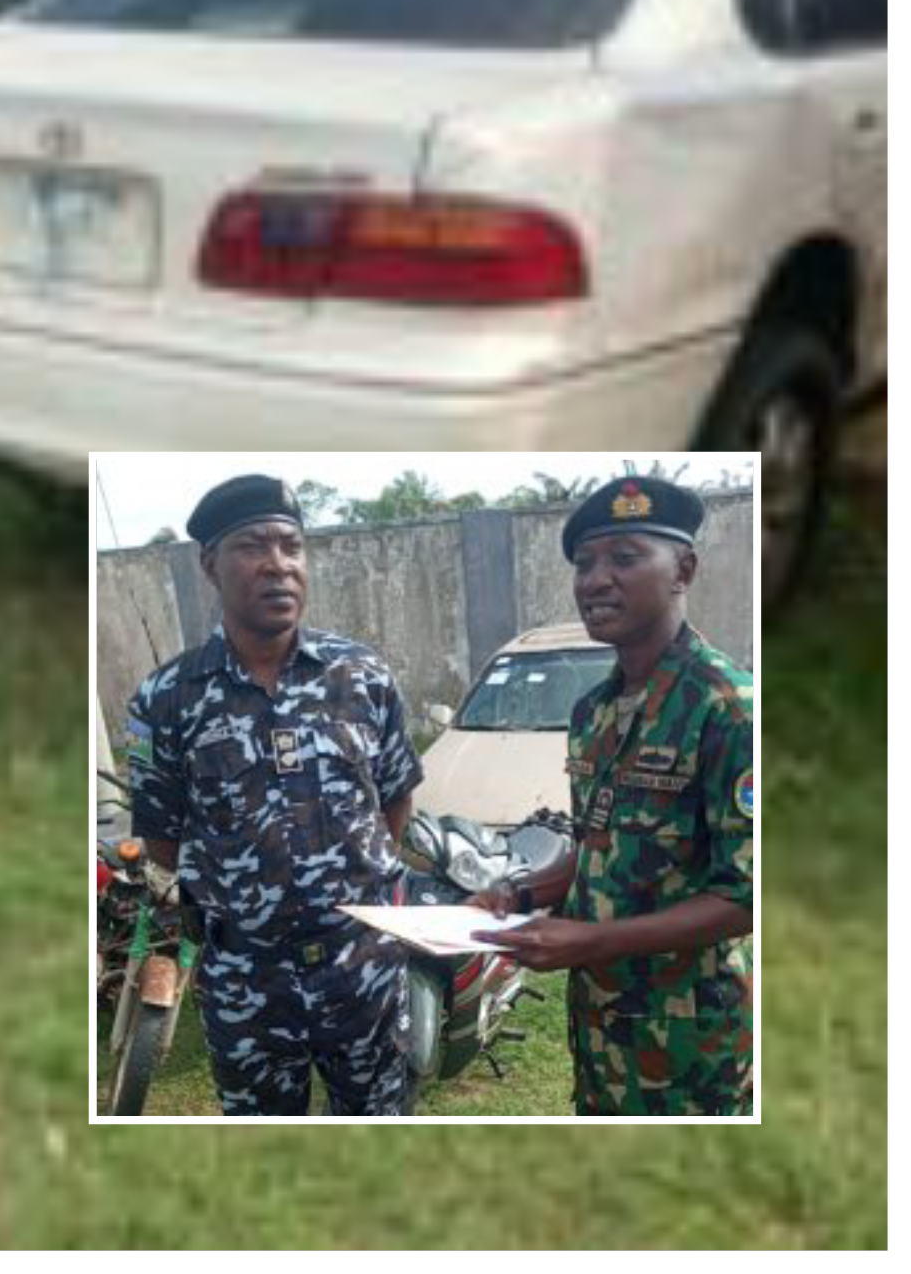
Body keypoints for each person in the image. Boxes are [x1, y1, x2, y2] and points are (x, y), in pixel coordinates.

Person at [121, 474, 423, 1116]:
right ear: (210, 565)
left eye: (291, 546)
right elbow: (163, 838)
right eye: (253, 546)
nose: (278, 565)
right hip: (246, 983)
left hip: (362, 968)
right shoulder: (167, 699)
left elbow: (394, 800)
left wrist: (347, 887)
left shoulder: (361, 676)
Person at [478, 476, 753, 1115]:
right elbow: (600, 848)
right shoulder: (593, 711)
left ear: (684, 570)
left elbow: (747, 895)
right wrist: (518, 895)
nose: (595, 580)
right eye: (584, 563)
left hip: (689, 1041)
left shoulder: (727, 708)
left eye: (624, 558)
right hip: (602, 1029)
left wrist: (589, 942)